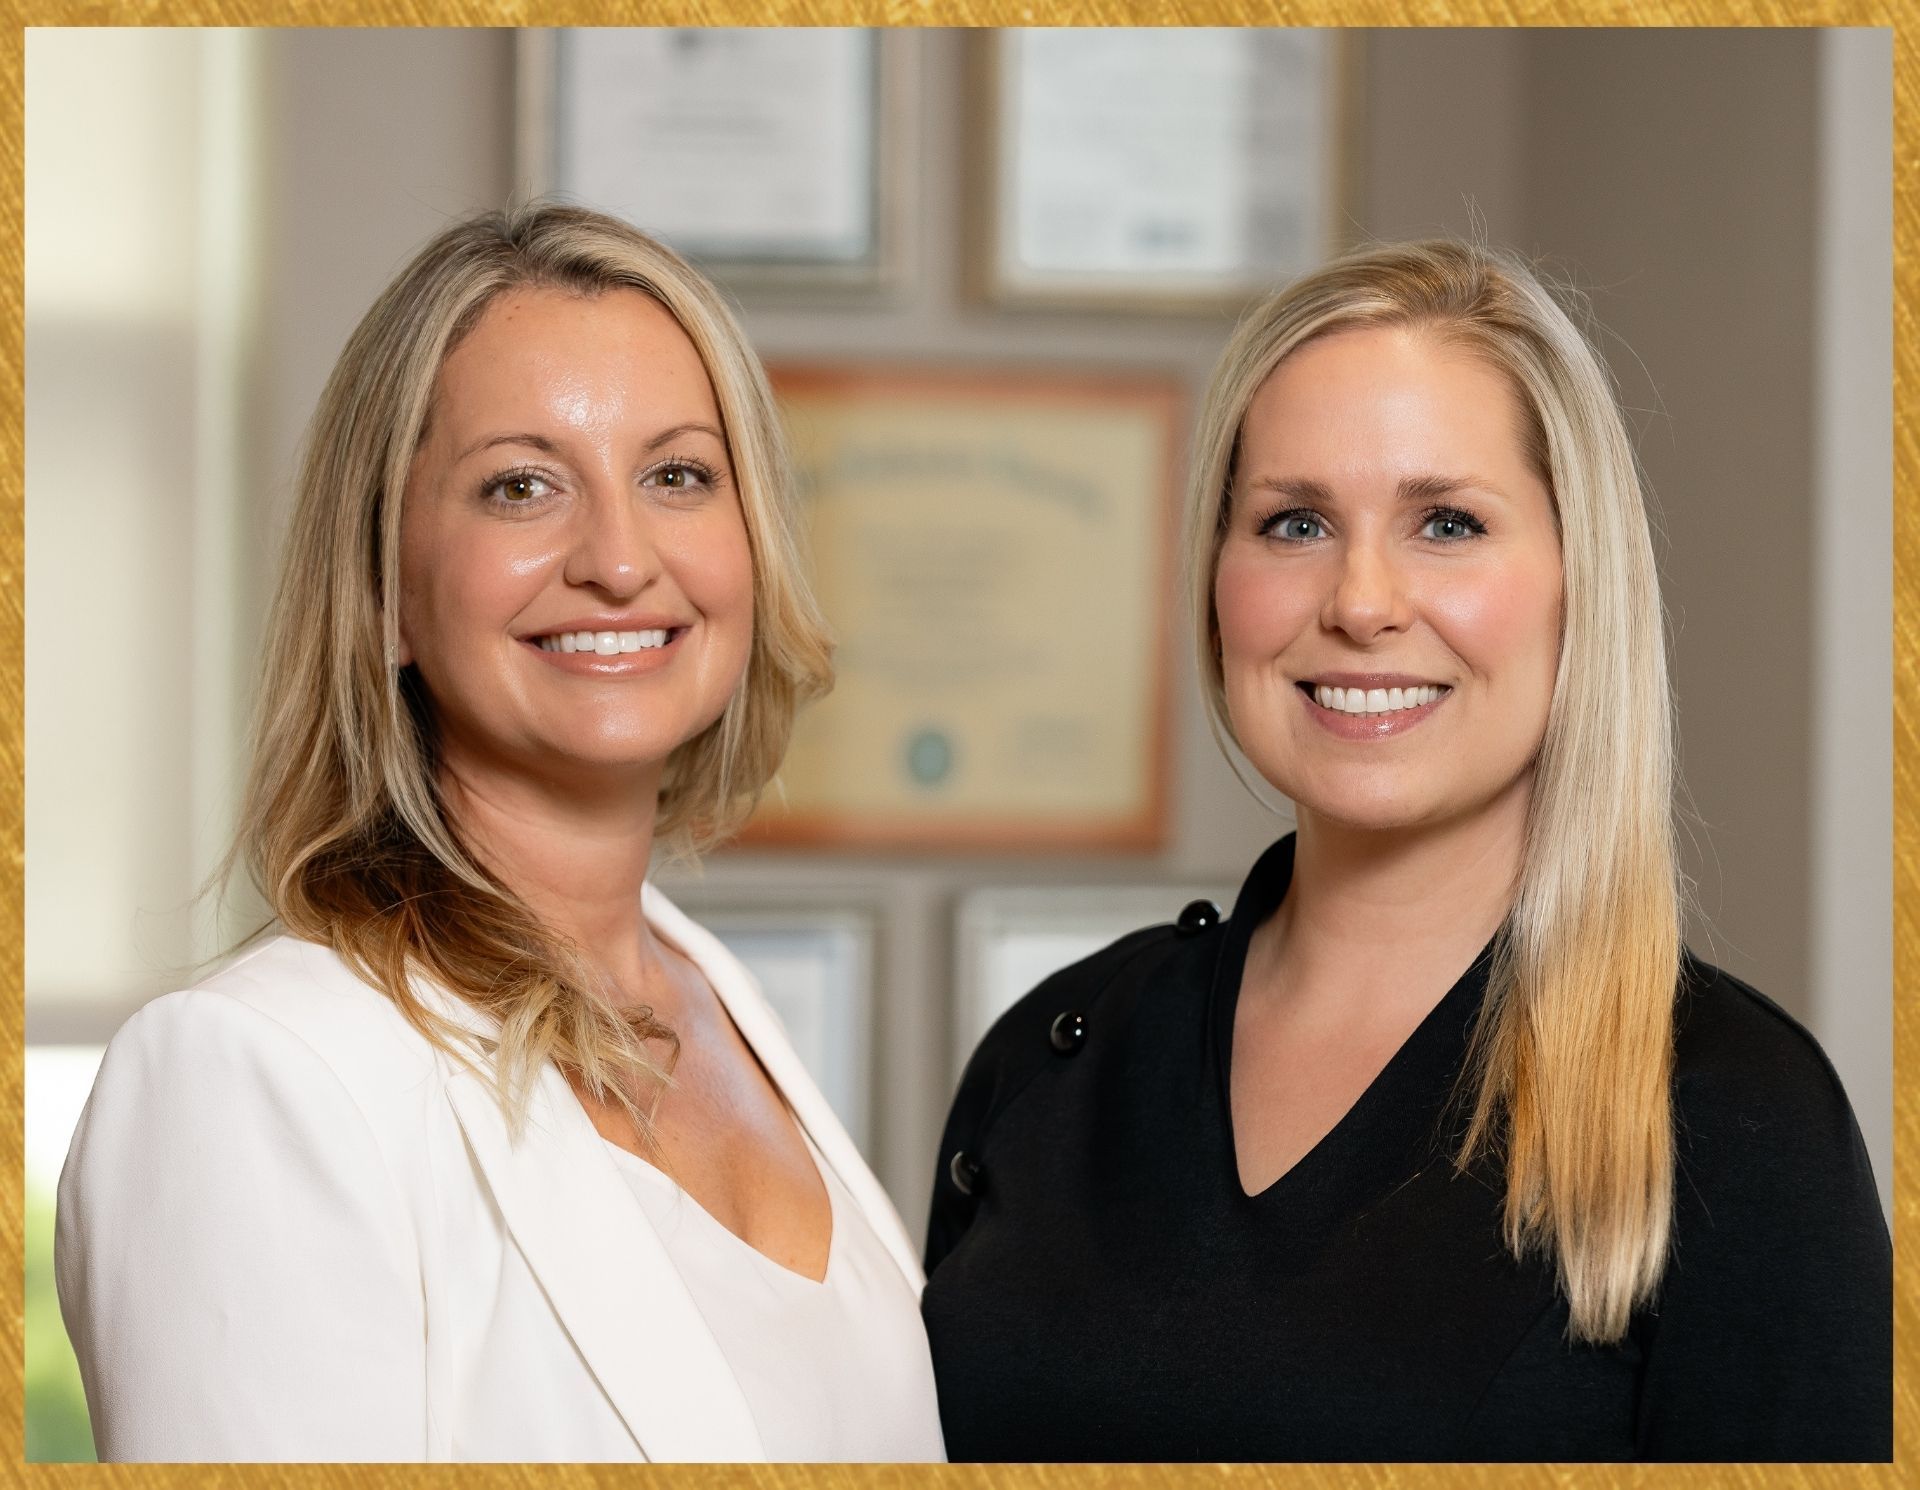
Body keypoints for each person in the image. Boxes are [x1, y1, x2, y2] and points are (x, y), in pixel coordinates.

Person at [922, 240, 1890, 1462]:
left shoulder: (1731, 1115)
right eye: (1294, 521)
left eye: (1445, 521)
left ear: (1579, 582)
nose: (1362, 600)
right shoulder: (1052, 1057)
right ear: (1217, 579)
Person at [56, 205, 946, 1463]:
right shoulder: (253, 1074)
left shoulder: (720, 1002)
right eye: (520, 484)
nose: (621, 560)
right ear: (384, 593)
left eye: (678, 474)